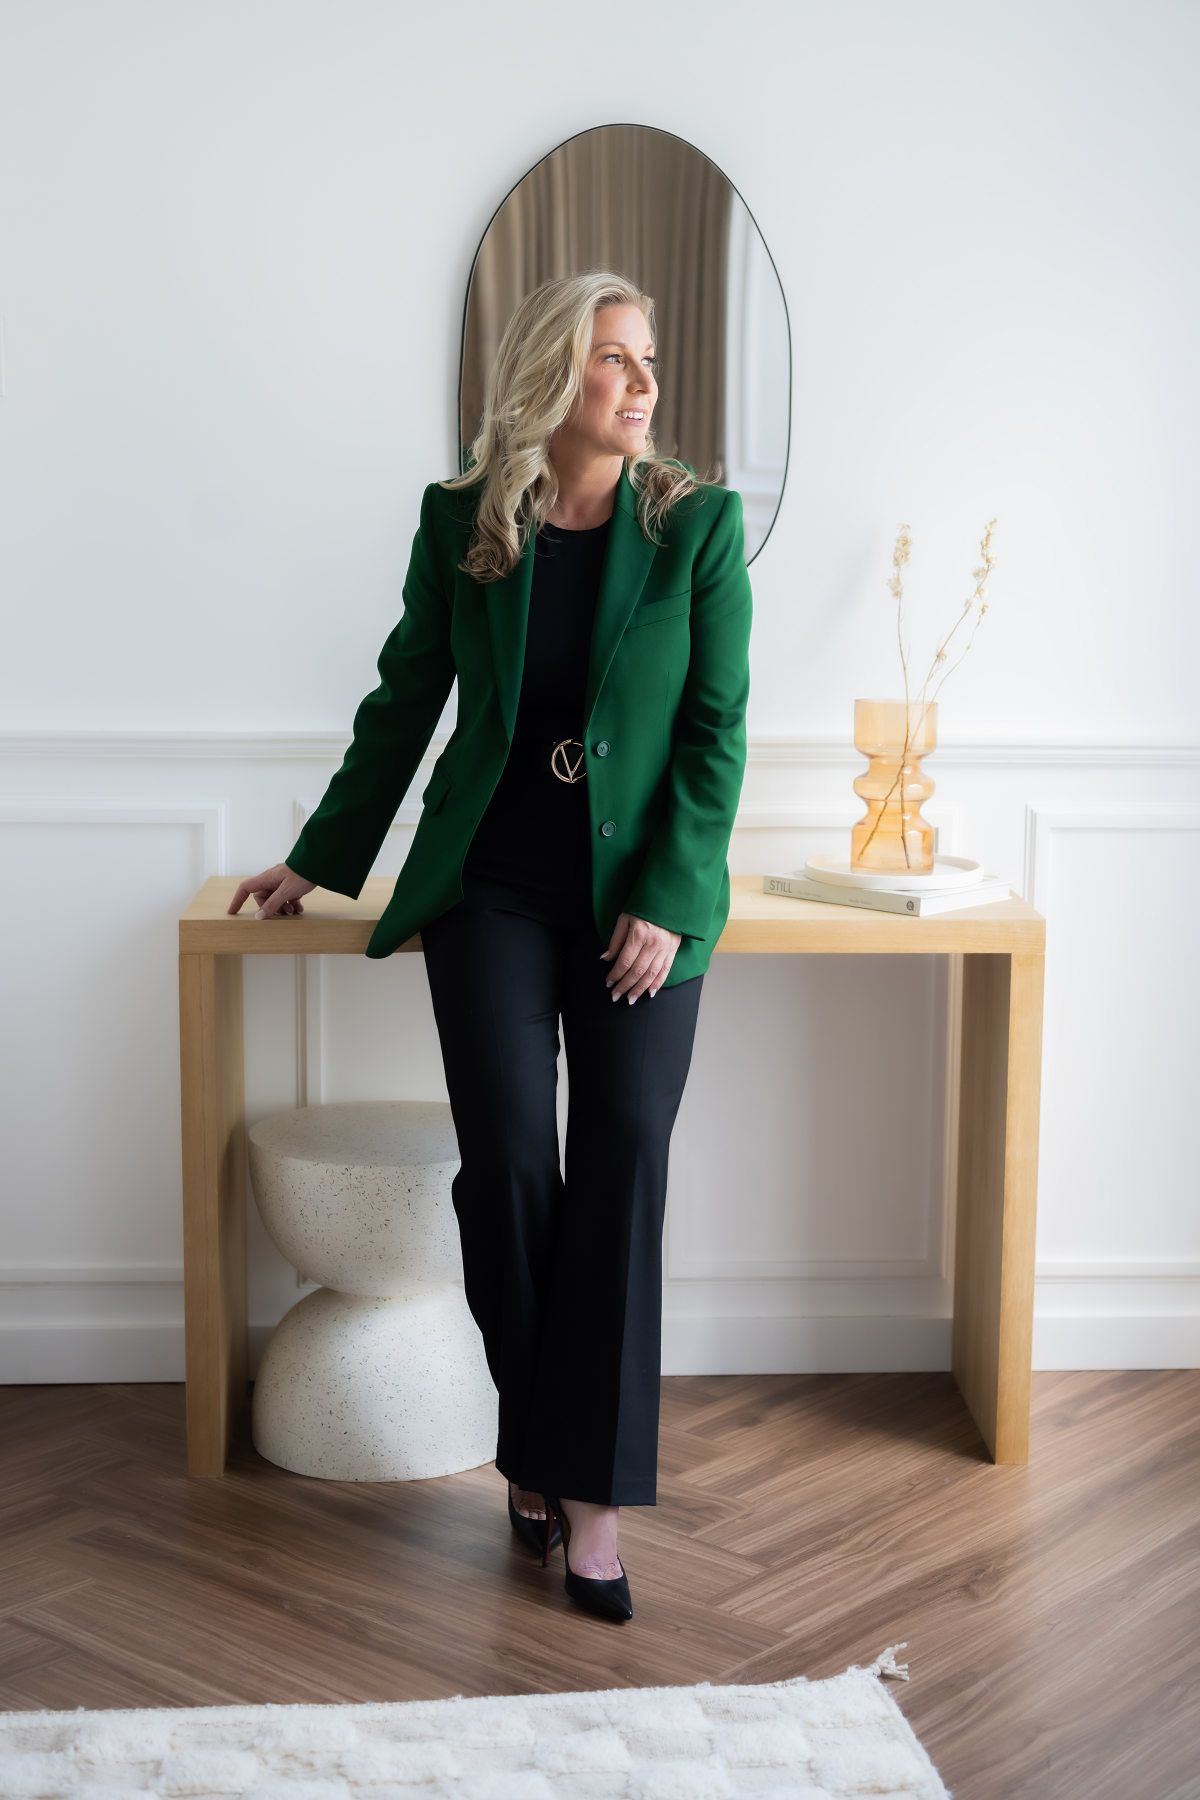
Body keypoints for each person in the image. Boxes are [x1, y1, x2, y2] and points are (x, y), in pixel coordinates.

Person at [229, 271, 753, 1621]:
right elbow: (408, 698)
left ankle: (585, 1500)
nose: (643, 386)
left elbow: (715, 733)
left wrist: (673, 898)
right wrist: (323, 854)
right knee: (512, 1169)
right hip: (496, 889)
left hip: (643, 901)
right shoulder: (466, 520)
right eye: (616, 362)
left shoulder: (695, 525)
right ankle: (553, 1454)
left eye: (649, 361)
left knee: (623, 1161)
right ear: (551, 376)